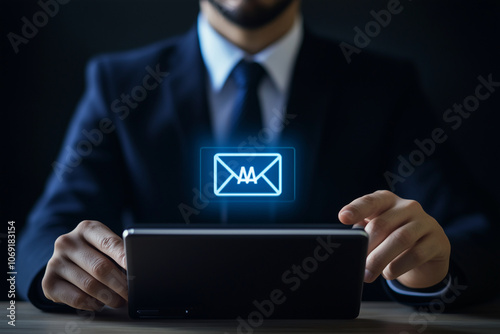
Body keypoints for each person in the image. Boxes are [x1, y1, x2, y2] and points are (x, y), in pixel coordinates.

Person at [18, 0, 499, 312]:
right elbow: (43, 233)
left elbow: (473, 235)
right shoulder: (118, 83)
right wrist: (53, 270)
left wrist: (429, 268)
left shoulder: (382, 86)